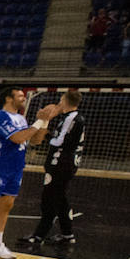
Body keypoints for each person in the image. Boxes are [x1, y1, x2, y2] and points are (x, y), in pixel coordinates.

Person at [0, 88, 58, 259]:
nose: (23, 98)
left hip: (15, 166)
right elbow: (17, 138)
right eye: (20, 96)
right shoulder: (0, 117)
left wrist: (44, 122)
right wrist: (38, 121)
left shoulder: (21, 119)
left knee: (7, 205)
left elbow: (35, 140)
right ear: (9, 99)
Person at [22, 90, 84, 247]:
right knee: (60, 199)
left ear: (65, 100)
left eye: (61, 100)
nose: (59, 103)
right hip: (62, 163)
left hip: (62, 164)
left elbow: (60, 142)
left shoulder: (73, 118)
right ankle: (67, 234)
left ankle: (39, 236)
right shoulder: (68, 118)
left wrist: (45, 132)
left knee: (49, 199)